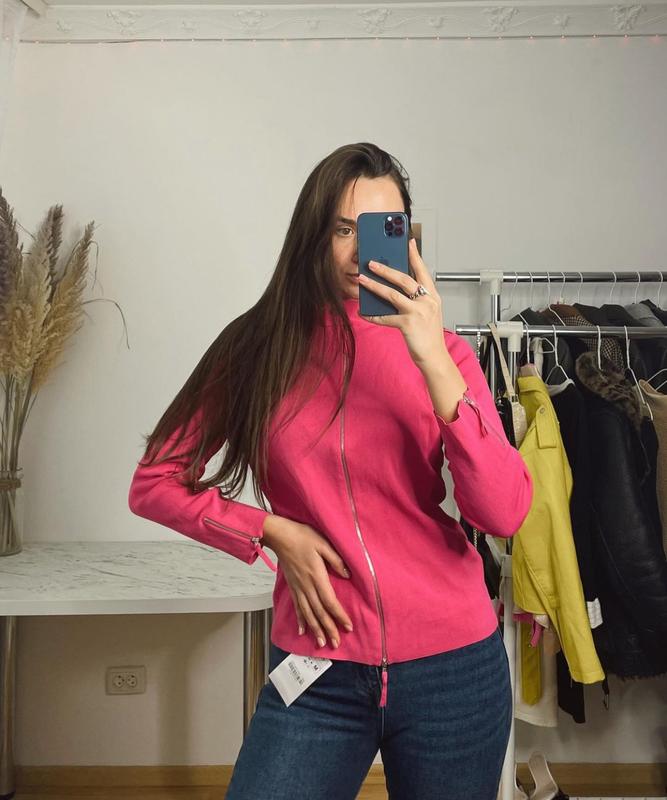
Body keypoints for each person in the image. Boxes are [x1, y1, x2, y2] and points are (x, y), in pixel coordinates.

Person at [128, 142, 533, 799]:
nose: (356, 253)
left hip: (452, 668)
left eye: (378, 229)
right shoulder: (255, 348)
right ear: (312, 234)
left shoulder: (445, 354)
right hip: (318, 667)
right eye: (342, 229)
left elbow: (504, 512)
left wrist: (432, 358)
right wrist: (271, 531)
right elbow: (155, 483)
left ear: (406, 236)